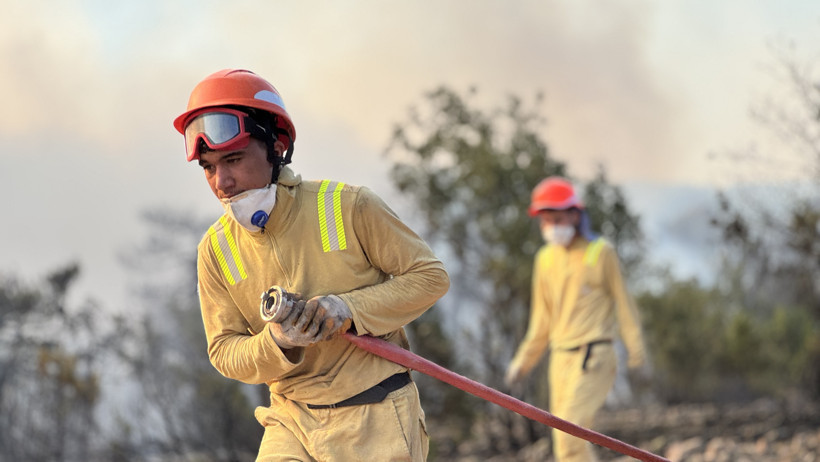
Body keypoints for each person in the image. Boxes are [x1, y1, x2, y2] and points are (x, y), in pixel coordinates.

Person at [173, 69, 449, 461]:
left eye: (233, 159)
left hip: (376, 415)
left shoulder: (347, 205)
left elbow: (430, 277)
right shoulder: (215, 251)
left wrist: (348, 309)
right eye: (208, 167)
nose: (222, 182)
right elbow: (224, 351)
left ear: (275, 146)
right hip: (291, 421)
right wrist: (279, 341)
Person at [504, 176, 646, 462]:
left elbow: (625, 305)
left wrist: (637, 355)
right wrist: (522, 362)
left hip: (594, 355)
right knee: (565, 445)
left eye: (557, 218)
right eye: (545, 220)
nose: (551, 227)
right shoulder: (544, 259)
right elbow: (541, 323)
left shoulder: (600, 252)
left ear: (575, 214)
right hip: (560, 360)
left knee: (569, 434)